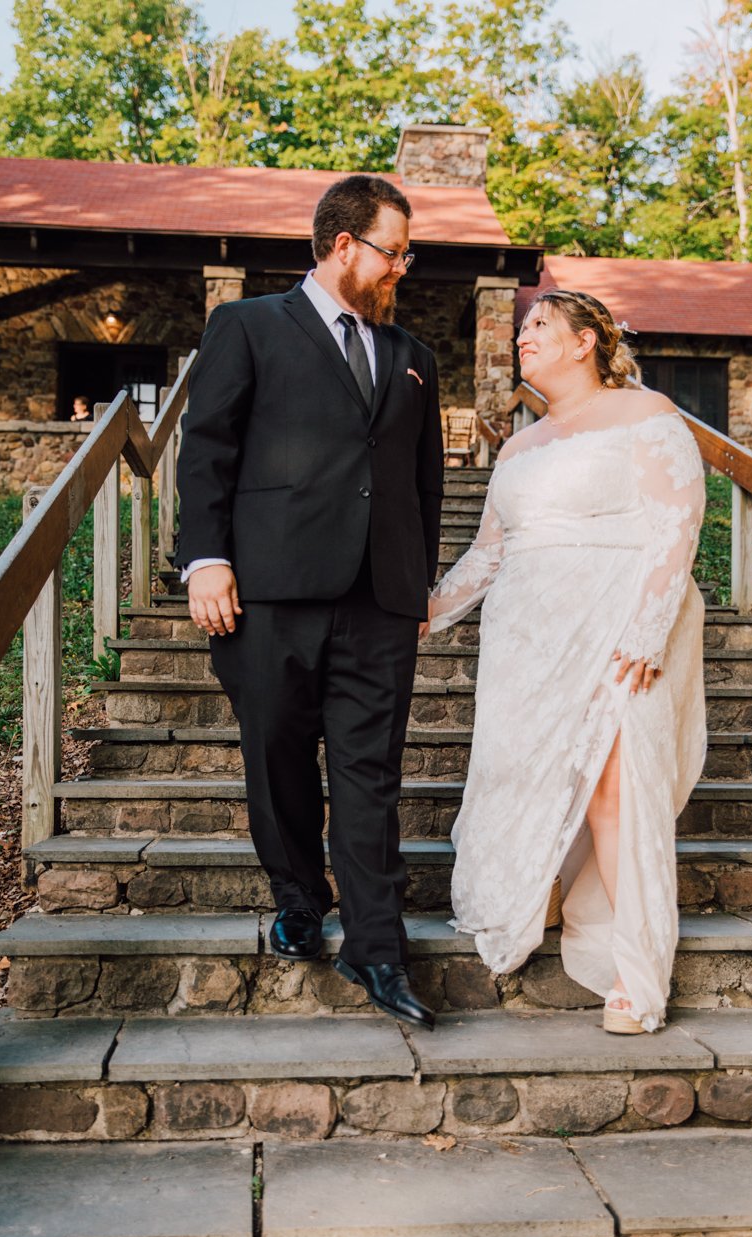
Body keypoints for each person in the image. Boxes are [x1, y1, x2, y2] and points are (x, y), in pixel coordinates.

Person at [175, 175, 444, 1031]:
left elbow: (422, 482)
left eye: (405, 252)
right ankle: (298, 897)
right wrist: (205, 560)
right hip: (268, 592)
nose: (402, 267)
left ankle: (375, 944)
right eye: (393, 251)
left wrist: (420, 581)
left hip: (381, 602)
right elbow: (205, 447)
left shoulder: (413, 355)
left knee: (371, 776)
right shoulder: (246, 326)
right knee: (278, 757)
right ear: (341, 245)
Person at [424, 290, 706, 1034]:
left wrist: (648, 630)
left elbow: (677, 527)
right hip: (524, 639)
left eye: (540, 326)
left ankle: (634, 971)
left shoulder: (646, 414)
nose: (524, 337)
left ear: (586, 342)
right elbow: (488, 554)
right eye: (522, 329)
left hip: (616, 626)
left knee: (617, 789)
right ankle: (532, 889)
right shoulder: (518, 447)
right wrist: (415, 616)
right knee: (522, 771)